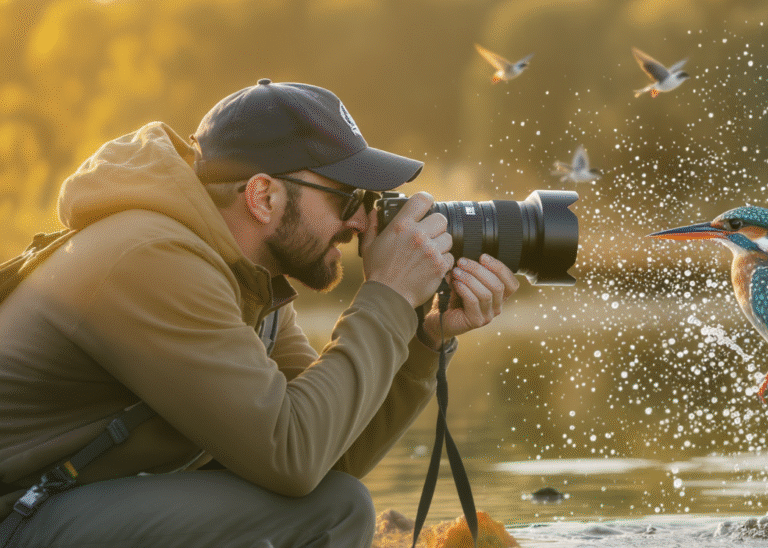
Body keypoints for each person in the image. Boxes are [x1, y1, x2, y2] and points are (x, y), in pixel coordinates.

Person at [0, 79, 519, 547]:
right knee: (335, 513)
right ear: (263, 196)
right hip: (14, 516)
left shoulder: (247, 281)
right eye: (347, 198)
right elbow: (293, 456)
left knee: (334, 499)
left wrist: (422, 338)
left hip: (49, 509)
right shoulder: (151, 260)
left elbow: (328, 458)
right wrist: (387, 294)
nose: (363, 221)